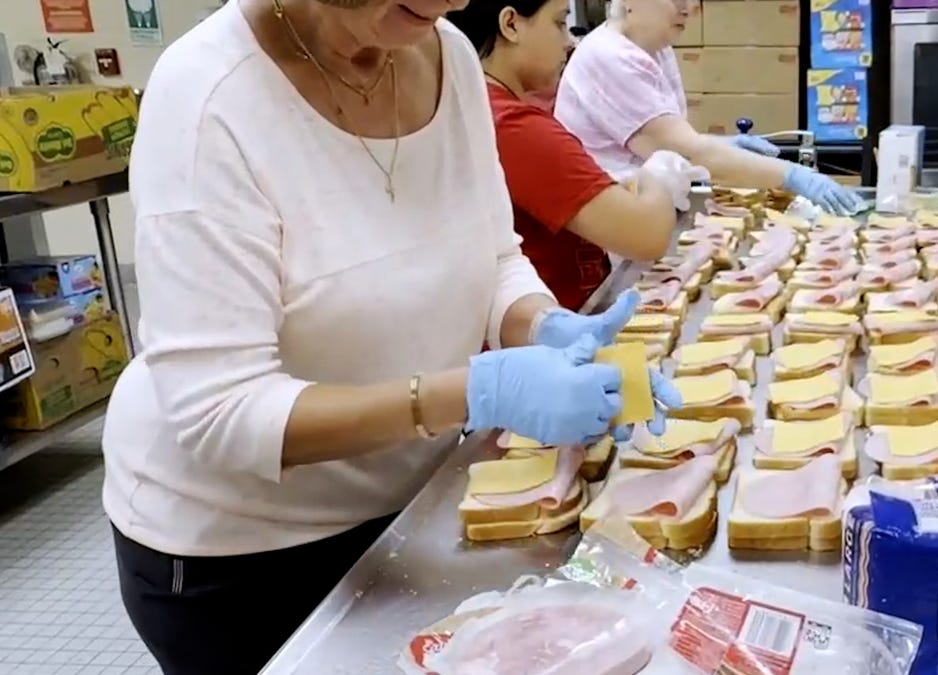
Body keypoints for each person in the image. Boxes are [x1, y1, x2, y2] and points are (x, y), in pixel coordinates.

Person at [101, 1, 677, 673]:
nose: (456, 2)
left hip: (402, 506)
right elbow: (221, 413)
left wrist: (538, 322)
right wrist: (474, 393)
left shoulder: (449, 55)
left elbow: (492, 253)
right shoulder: (207, 97)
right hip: (241, 556)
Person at [446, 0, 704, 310]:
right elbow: (645, 234)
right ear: (511, 25)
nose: (569, 42)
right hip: (559, 320)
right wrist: (660, 174)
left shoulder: (493, 107)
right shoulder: (513, 126)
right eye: (559, 23)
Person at [555, 0, 865, 216]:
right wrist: (794, 176)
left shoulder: (653, 47)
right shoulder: (610, 57)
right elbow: (689, 153)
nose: (687, 7)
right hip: (613, 229)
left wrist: (718, 144)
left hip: (647, 209)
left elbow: (670, 141)